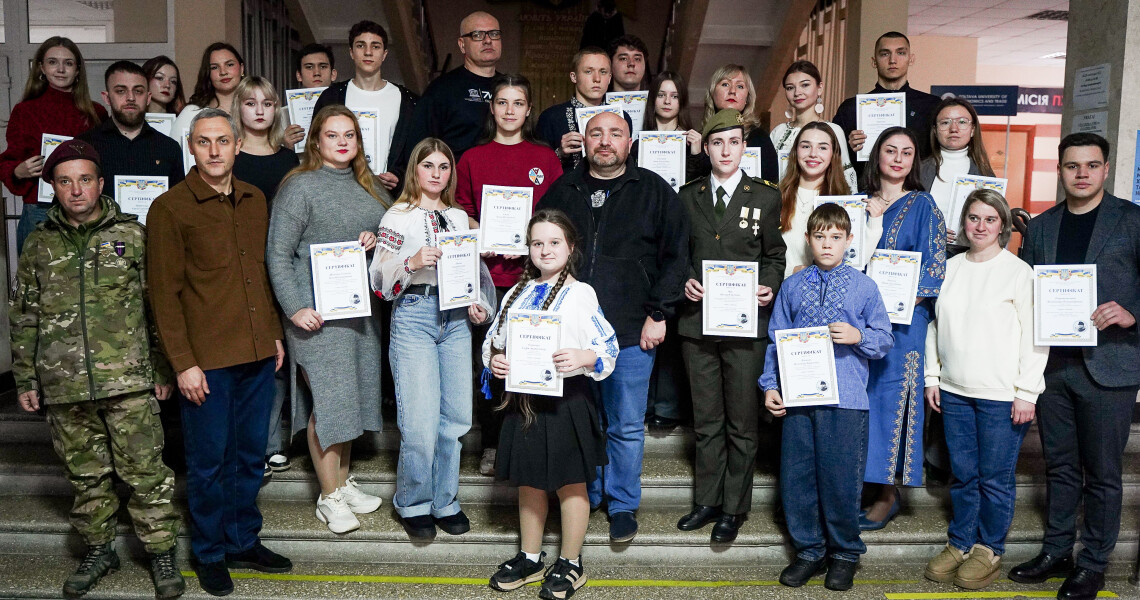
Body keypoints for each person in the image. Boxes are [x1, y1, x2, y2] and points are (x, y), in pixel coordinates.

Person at [10, 139, 184, 600]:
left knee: (146, 472)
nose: (76, 190)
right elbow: (24, 314)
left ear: (101, 183)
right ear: (52, 188)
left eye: (85, 179)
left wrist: (164, 367)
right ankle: (99, 548)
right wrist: (25, 377)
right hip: (64, 383)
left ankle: (160, 551)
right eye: (65, 181)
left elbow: (156, 306)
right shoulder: (38, 246)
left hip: (127, 379)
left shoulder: (132, 235)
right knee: (86, 476)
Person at [147, 108, 291, 597]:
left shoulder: (254, 200)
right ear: (191, 147)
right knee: (209, 462)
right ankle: (209, 551)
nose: (214, 150)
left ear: (236, 146)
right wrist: (182, 363)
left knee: (250, 456)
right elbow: (163, 294)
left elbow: (264, 275)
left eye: (223, 141)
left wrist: (272, 333)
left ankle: (241, 540)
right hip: (205, 360)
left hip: (254, 352)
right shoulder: (170, 209)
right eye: (204, 141)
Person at [537, 111, 690, 543]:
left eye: (615, 134)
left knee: (624, 424)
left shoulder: (654, 191)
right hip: (572, 333)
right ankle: (589, 496)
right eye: (596, 133)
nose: (605, 142)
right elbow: (543, 252)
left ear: (629, 142)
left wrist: (659, 313)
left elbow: (676, 256)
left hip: (631, 330)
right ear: (583, 141)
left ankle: (622, 504)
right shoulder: (562, 190)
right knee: (584, 421)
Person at [1011, 133, 1140, 600]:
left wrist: (1132, 313)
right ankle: (1057, 550)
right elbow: (1025, 294)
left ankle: (1093, 563)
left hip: (1110, 366)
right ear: (1060, 171)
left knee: (1102, 472)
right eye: (1072, 166)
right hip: (1054, 368)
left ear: (1105, 169)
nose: (1081, 173)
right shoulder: (1042, 226)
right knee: (1060, 467)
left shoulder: (1131, 220)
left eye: (1091, 165)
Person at [484, 209, 618, 600]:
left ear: (571, 247)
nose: (545, 249)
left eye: (554, 242)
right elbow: (493, 340)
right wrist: (495, 360)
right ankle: (530, 557)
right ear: (529, 249)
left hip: (568, 402)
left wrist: (583, 356)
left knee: (571, 484)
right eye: (538, 242)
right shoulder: (515, 293)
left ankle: (572, 563)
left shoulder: (581, 294)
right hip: (524, 402)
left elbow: (607, 348)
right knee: (530, 480)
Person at [268, 105, 390, 534]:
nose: (342, 142)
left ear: (358, 142)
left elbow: (395, 244)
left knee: (352, 398)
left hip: (359, 315)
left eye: (350, 135)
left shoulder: (372, 188)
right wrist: (294, 307)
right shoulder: (299, 187)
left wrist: (377, 242)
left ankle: (341, 481)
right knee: (331, 400)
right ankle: (329, 497)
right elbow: (277, 254)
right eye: (332, 134)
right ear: (315, 141)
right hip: (314, 318)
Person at [761, 203, 894, 592]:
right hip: (799, 398)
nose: (827, 244)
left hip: (847, 400)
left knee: (839, 480)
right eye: (820, 236)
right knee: (798, 478)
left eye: (836, 237)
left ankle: (844, 554)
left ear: (849, 241)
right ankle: (809, 550)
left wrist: (859, 337)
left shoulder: (864, 286)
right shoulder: (794, 286)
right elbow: (775, 340)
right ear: (808, 239)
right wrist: (770, 385)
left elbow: (884, 338)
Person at [369, 137, 495, 540]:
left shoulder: (459, 218)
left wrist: (479, 305)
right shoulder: (398, 215)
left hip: (456, 318)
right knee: (420, 424)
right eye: (429, 166)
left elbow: (475, 273)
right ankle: (413, 502)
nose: (437, 174)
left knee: (456, 417)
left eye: (444, 167)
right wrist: (410, 261)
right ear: (415, 170)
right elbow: (377, 280)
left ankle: (445, 500)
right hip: (414, 315)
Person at [922, 189, 1048, 590]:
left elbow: (1035, 336)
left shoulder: (1018, 272)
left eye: (989, 219)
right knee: (962, 475)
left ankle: (989, 548)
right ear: (963, 224)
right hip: (955, 390)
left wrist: (1027, 391)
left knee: (994, 477)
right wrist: (932, 377)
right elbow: (934, 325)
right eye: (973, 218)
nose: (980, 226)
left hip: (1000, 394)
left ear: (1002, 226)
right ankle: (960, 542)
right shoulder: (950, 267)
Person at [674, 109, 785, 543]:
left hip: (745, 324)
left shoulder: (765, 196)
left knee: (741, 421)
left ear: (744, 147)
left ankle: (733, 508)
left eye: (734, 142)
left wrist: (769, 285)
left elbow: (773, 254)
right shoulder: (688, 195)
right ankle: (707, 500)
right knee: (706, 420)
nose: (725, 150)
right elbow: (678, 253)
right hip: (698, 324)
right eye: (717, 142)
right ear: (705, 147)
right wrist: (684, 279)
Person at [456, 74, 563, 476]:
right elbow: (463, 210)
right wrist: (477, 233)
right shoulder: (472, 158)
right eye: (502, 102)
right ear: (492, 108)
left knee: (531, 357)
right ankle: (491, 442)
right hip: (487, 277)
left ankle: (527, 439)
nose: (509, 111)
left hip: (534, 279)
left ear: (528, 110)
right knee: (491, 362)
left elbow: (554, 216)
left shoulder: (545, 158)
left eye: (518, 103)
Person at [860, 126, 946, 530]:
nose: (897, 158)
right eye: (890, 150)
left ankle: (888, 492)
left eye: (907, 152)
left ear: (915, 161)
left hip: (902, 323)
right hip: (859, 322)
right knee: (863, 402)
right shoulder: (859, 204)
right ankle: (862, 481)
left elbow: (934, 266)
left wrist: (903, 299)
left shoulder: (923, 204)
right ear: (877, 156)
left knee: (895, 404)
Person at [0, 36, 106, 253]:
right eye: (52, 62)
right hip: (41, 208)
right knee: (38, 283)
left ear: (77, 70)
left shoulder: (96, 112)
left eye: (68, 63)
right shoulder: (26, 111)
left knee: (88, 281)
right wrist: (18, 171)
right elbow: (9, 161)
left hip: (87, 207)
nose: (60, 69)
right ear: (41, 68)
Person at [313, 21, 417, 192]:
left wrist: (398, 175)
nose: (368, 52)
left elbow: (416, 152)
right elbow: (316, 147)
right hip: (341, 194)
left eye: (375, 46)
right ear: (351, 52)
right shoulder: (331, 97)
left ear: (384, 54)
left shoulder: (408, 101)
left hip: (390, 198)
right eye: (361, 45)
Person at [777, 122, 883, 277]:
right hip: (785, 290)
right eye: (806, 146)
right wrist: (791, 271)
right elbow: (764, 256)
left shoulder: (844, 201)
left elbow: (855, 260)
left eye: (823, 147)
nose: (813, 154)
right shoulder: (775, 197)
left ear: (833, 154)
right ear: (795, 152)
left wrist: (875, 223)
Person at [403, 11, 502, 170]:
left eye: (494, 34)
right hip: (454, 189)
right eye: (477, 35)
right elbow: (418, 147)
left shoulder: (510, 88)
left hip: (501, 187)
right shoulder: (441, 90)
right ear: (462, 45)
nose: (488, 40)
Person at [833, 32, 940, 174]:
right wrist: (848, 147)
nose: (893, 60)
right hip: (865, 189)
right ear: (874, 61)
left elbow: (942, 154)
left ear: (911, 59)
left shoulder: (932, 106)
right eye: (885, 54)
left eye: (901, 53)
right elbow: (833, 158)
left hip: (917, 188)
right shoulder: (850, 108)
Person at [80, 61, 184, 188]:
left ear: (148, 98)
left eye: (138, 91)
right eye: (121, 91)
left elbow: (179, 204)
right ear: (106, 98)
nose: (131, 98)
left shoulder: (169, 148)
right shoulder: (85, 146)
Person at [770, 60, 856, 191]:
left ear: (819, 88)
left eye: (805, 85)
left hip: (823, 204)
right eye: (790, 87)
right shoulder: (779, 132)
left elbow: (845, 176)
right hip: (782, 204)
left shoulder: (833, 130)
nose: (797, 92)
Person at [919, 97, 995, 246]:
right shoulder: (917, 171)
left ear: (973, 129)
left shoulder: (986, 175)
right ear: (935, 130)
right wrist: (928, 231)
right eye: (945, 122)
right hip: (925, 252)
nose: (954, 128)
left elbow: (994, 222)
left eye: (962, 122)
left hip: (969, 257)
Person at [536, 47, 614, 172]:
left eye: (603, 72)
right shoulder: (551, 117)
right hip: (565, 190)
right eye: (588, 71)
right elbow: (536, 170)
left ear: (610, 78)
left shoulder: (621, 118)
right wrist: (560, 153)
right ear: (574, 77)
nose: (597, 79)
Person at [697, 64, 779, 183]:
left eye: (740, 86)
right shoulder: (699, 140)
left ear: (747, 98)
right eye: (725, 84)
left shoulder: (759, 138)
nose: (732, 91)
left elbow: (771, 186)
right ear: (712, 92)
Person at [231, 77, 300, 203]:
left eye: (267, 104)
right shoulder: (229, 157)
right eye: (251, 103)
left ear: (275, 109)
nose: (260, 111)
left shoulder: (289, 158)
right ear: (238, 107)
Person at [171, 42, 245, 140]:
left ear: (242, 69)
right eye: (214, 67)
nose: (223, 72)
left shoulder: (258, 111)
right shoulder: (192, 113)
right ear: (208, 73)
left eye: (229, 64)